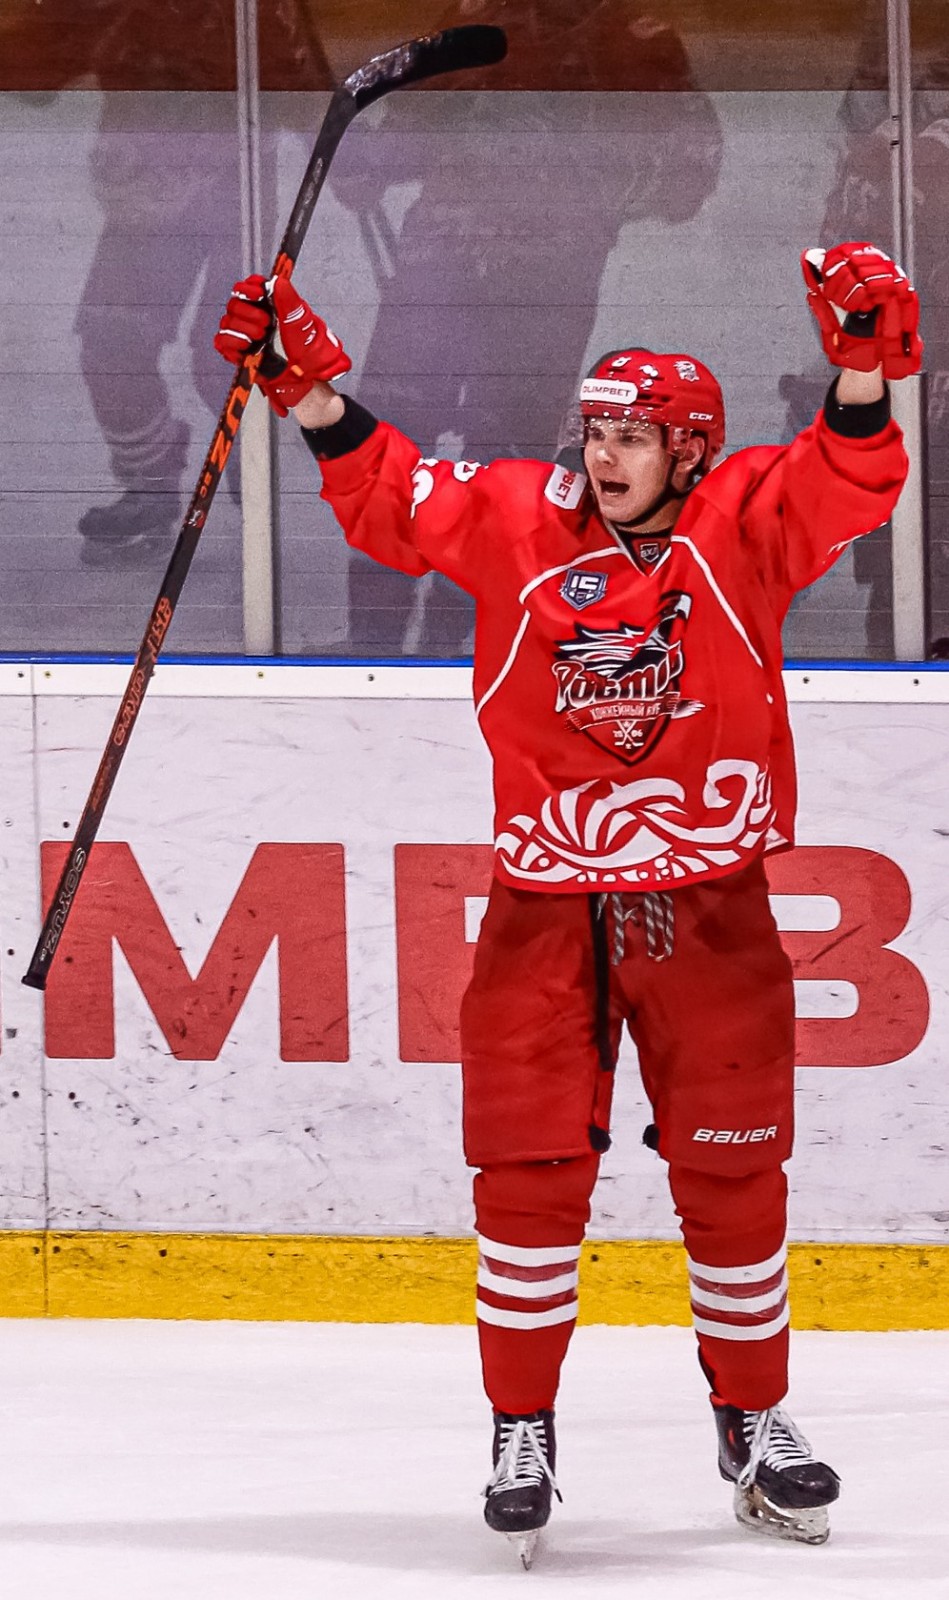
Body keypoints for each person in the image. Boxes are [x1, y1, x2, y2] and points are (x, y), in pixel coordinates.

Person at [214, 241, 920, 1559]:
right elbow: (392, 497)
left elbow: (847, 476)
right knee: (527, 1174)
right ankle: (520, 1425)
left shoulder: (744, 525)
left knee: (734, 1174)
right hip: (545, 914)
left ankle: (753, 1416)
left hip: (709, 909)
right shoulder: (518, 519)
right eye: (596, 430)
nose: (604, 454)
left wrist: (863, 371)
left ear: (690, 451)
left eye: (634, 435)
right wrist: (304, 389)